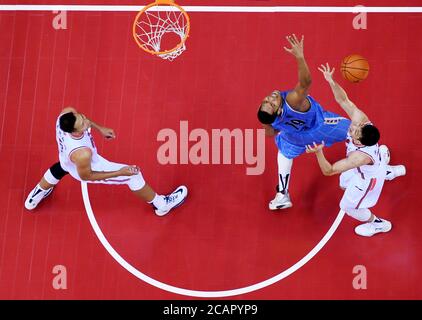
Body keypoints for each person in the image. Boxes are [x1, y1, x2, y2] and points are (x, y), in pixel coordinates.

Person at [25, 107, 188, 216]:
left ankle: (35, 197)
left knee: (60, 168)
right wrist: (120, 172)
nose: (85, 120)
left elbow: (83, 119)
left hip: (65, 158)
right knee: (134, 176)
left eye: (81, 117)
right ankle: (161, 205)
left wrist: (99, 128)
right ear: (75, 131)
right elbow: (87, 176)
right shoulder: (83, 154)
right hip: (89, 167)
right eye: (82, 124)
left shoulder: (66, 115)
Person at [305, 63, 406, 237]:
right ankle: (388, 170)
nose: (353, 128)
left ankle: (378, 224)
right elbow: (343, 100)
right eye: (356, 127)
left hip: (368, 178)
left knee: (347, 206)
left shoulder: (359, 157)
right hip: (374, 162)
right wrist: (331, 81)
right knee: (343, 183)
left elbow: (329, 170)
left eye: (356, 132)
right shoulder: (361, 120)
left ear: (360, 142)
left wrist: (318, 152)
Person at [257, 34, 351, 210]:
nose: (270, 99)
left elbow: (270, 133)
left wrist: (266, 123)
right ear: (278, 110)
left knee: (284, 152)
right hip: (321, 127)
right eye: (271, 104)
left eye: (266, 102)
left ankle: (282, 195)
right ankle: (377, 163)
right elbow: (306, 82)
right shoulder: (292, 101)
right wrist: (299, 56)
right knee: (359, 129)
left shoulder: (269, 118)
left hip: (295, 137)